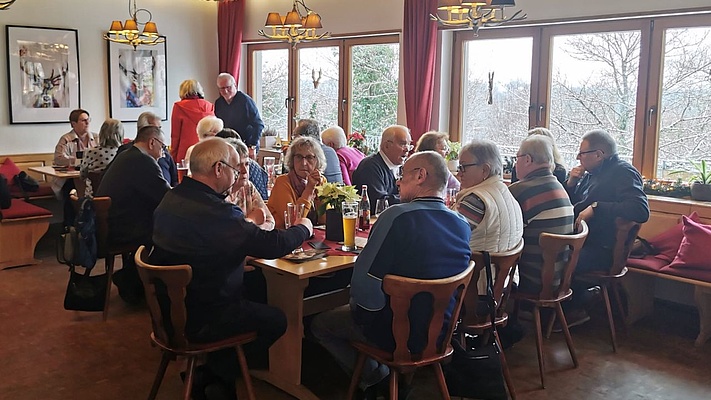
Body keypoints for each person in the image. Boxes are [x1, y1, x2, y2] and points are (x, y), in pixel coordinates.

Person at [149, 137, 311, 399]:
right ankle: (218, 372)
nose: (237, 176)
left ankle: (213, 374)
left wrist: (234, 257)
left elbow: (194, 247)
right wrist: (304, 227)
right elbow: (272, 245)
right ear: (218, 169)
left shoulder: (170, 199)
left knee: (256, 285)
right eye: (235, 169)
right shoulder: (217, 212)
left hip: (168, 311)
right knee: (277, 320)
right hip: (203, 317)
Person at [311, 151, 472, 397]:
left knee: (320, 324)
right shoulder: (461, 223)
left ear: (420, 176)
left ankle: (377, 378)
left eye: (403, 175)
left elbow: (364, 289)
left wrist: (354, 308)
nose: (398, 181)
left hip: (395, 335)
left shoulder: (395, 216)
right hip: (440, 333)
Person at [564, 129, 650, 325]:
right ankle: (572, 304)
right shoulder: (591, 174)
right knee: (547, 253)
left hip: (603, 250)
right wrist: (571, 183)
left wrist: (597, 208)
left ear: (599, 154)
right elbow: (573, 206)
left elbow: (640, 209)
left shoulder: (623, 172)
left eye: (582, 153)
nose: (578, 157)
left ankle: (576, 306)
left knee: (558, 260)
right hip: (582, 241)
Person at [96, 125, 171, 304]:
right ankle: (148, 286)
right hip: (122, 230)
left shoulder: (127, 155)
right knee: (170, 233)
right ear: (152, 142)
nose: (163, 153)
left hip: (107, 225)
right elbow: (167, 197)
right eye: (163, 147)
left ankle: (135, 281)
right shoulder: (143, 161)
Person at [452, 139, 523, 293]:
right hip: (500, 286)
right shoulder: (506, 193)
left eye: (463, 167)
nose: (459, 173)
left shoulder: (476, 200)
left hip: (476, 288)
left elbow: (448, 239)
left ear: (485, 170)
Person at [508, 135, 574, 295]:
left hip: (531, 280)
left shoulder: (520, 191)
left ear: (528, 159)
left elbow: (505, 235)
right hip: (558, 277)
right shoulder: (559, 187)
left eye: (517, 158)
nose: (515, 164)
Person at [267, 136, 326, 229]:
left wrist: (318, 191)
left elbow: (325, 221)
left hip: (312, 237)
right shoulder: (283, 182)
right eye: (299, 157)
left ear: (317, 161)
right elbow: (293, 223)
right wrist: (309, 190)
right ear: (292, 160)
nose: (304, 163)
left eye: (309, 157)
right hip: (285, 238)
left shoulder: (320, 180)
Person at [352, 125, 412, 214]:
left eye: (409, 145)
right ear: (387, 145)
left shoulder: (402, 167)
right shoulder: (370, 167)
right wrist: (410, 199)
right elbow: (380, 203)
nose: (407, 149)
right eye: (403, 144)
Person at [53, 109, 99, 226]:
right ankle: (69, 228)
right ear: (74, 124)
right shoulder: (66, 139)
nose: (87, 123)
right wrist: (77, 161)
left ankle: (92, 225)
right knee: (70, 193)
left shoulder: (96, 137)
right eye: (83, 120)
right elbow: (58, 158)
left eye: (88, 120)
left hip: (91, 178)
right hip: (70, 179)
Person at [116, 111, 178, 187]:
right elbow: (162, 192)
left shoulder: (163, 151)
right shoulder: (136, 155)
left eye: (160, 128)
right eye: (156, 130)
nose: (160, 132)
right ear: (151, 141)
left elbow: (175, 179)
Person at [224, 138, 275, 231]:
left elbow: (270, 221)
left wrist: (252, 231)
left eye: (247, 164)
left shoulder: (247, 186)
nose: (244, 170)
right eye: (238, 165)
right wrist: (252, 222)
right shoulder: (220, 193)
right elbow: (230, 235)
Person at [214, 73, 265, 152]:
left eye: (228, 87)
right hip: (228, 145)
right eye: (222, 88)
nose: (226, 91)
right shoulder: (219, 103)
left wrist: (252, 146)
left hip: (246, 145)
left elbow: (258, 125)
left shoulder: (245, 101)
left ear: (235, 85)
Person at [170, 79, 214, 164]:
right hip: (207, 150)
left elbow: (175, 136)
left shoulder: (179, 106)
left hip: (185, 151)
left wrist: (173, 157)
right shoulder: (210, 106)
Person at [79, 118, 123, 196]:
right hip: (117, 197)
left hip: (94, 198)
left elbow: (82, 175)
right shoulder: (124, 152)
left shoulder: (91, 152)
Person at [293, 119, 343, 183]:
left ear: (302, 138)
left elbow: (296, 180)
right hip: (337, 190)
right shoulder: (330, 151)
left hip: (322, 190)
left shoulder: (310, 153)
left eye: (294, 136)